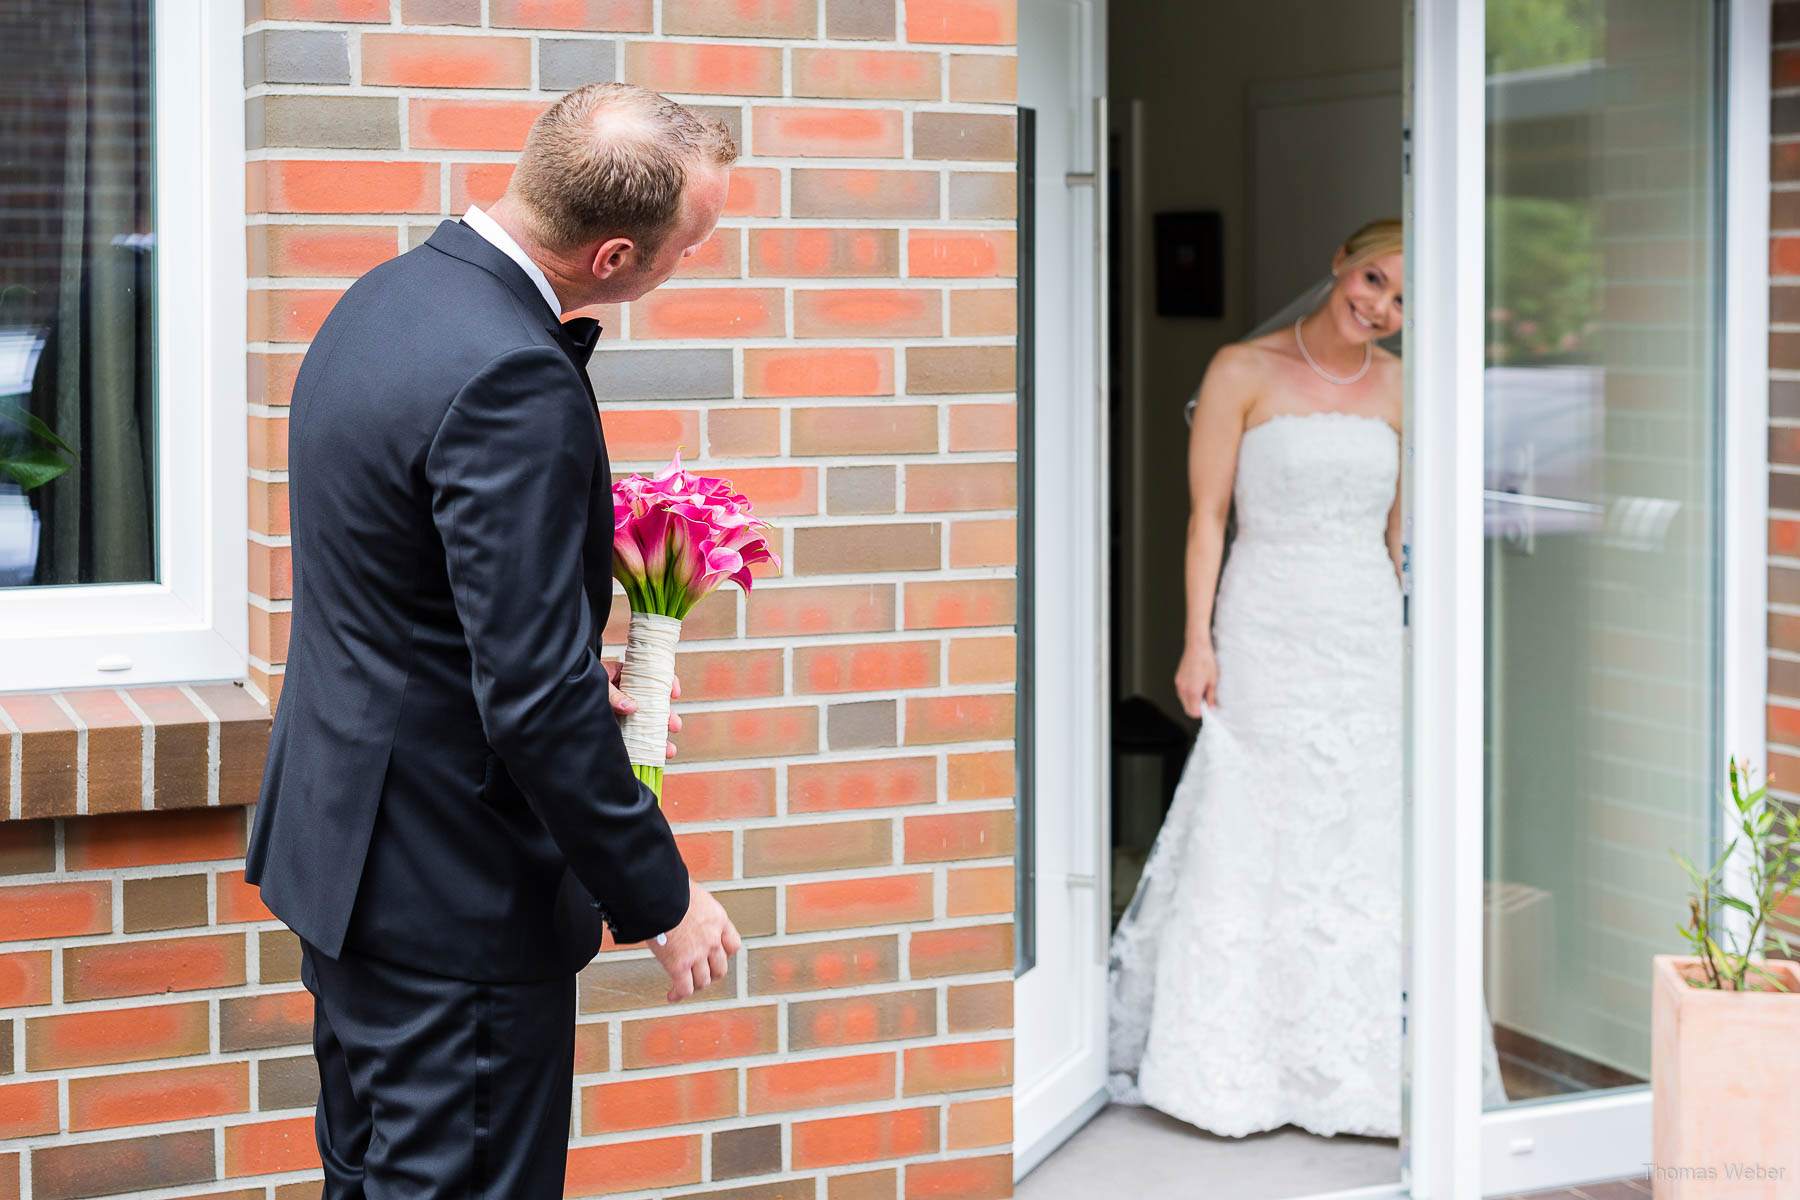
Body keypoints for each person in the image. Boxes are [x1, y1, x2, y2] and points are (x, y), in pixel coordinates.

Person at [246, 83, 742, 1198]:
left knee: (369, 1178)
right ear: (613, 255)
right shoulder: (516, 376)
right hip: (452, 899)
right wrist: (662, 895)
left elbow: (404, 596)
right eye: (691, 243)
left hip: (351, 867)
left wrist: (561, 663)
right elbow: (530, 704)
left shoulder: (385, 297)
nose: (693, 260)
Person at [1106, 219, 1505, 1139]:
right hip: (1264, 618)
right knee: (1253, 820)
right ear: (1338, 261)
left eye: (1402, 300)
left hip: (1363, 630)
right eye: (1373, 279)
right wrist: (1196, 640)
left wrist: (1418, 642)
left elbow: (1398, 538)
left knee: (1361, 829)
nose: (1380, 306)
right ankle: (1236, 1066)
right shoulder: (1239, 371)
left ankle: (1358, 1071)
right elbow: (1207, 519)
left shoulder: (1405, 388)